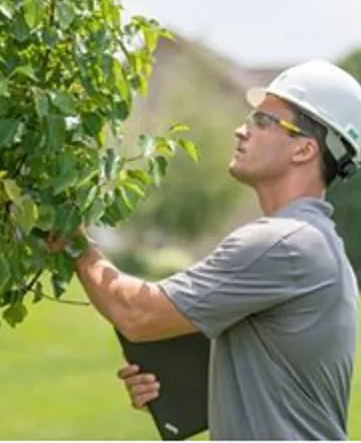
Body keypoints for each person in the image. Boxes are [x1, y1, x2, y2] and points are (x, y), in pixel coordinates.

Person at [71, 59, 361, 440]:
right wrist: (175, 386)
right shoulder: (313, 244)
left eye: (262, 122)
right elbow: (278, 383)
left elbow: (137, 312)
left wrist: (74, 242)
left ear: (304, 150)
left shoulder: (283, 243)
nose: (241, 131)